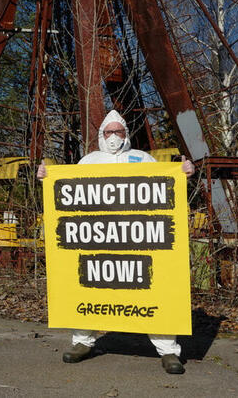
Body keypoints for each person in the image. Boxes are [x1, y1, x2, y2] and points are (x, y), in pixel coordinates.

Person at [37, 110, 195, 374]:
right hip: (97, 240)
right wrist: (47, 176)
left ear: (125, 134)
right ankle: (82, 342)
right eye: (108, 132)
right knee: (86, 289)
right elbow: (68, 194)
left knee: (155, 291)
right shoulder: (89, 161)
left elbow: (165, 187)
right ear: (101, 135)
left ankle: (168, 351)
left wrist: (181, 174)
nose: (113, 137)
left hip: (139, 240)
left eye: (118, 131)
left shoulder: (143, 159)